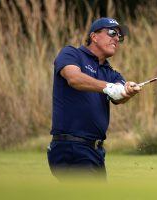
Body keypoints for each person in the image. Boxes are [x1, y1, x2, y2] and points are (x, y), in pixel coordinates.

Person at [47, 17, 141, 179]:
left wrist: (127, 91)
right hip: (71, 147)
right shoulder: (71, 54)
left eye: (120, 36)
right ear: (94, 36)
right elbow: (74, 78)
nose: (116, 38)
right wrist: (108, 87)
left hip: (94, 151)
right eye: (112, 33)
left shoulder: (110, 72)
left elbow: (119, 96)